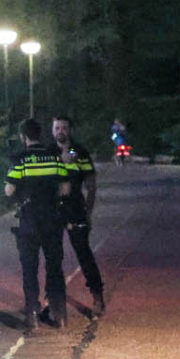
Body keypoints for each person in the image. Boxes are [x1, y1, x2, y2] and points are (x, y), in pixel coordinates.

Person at [4, 117, 71, 331]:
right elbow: (65, 188)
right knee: (54, 266)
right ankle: (59, 314)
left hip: (29, 221)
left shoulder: (20, 160)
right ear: (40, 135)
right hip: (52, 220)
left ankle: (32, 314)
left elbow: (9, 190)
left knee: (30, 268)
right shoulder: (54, 158)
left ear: (24, 137)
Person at [51, 113, 106, 315]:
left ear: (70, 130)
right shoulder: (48, 153)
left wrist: (88, 212)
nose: (60, 132)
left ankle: (98, 296)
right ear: (52, 130)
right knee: (53, 257)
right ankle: (54, 300)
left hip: (75, 209)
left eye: (64, 128)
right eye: (57, 128)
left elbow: (91, 185)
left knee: (84, 253)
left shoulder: (79, 152)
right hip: (55, 211)